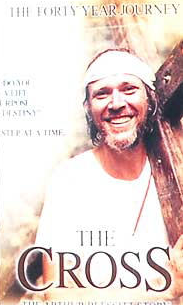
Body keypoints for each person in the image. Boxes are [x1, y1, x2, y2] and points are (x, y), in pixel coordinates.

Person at [26, 48, 183, 301]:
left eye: (129, 89)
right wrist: (163, 286)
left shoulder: (176, 167)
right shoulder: (69, 180)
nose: (117, 103)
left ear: (150, 99)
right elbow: (56, 292)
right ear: (88, 108)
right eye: (102, 93)